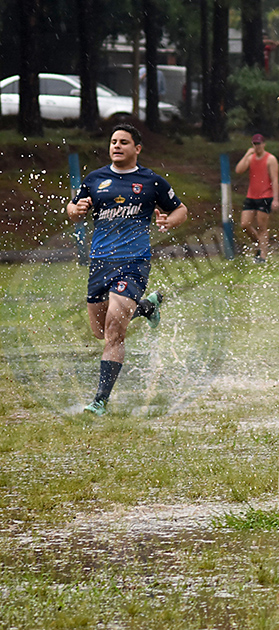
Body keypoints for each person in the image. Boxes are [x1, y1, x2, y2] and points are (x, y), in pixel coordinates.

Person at [66, 123, 188, 416]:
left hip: (133, 263)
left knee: (114, 332)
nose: (117, 146)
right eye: (113, 142)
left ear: (137, 148)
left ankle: (100, 401)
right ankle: (146, 307)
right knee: (100, 331)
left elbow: (181, 210)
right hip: (100, 263)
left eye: (123, 142)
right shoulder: (95, 179)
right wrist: (76, 210)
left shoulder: (151, 181)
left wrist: (168, 221)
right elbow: (72, 209)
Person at [235, 133, 279, 263]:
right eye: (255, 144)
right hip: (251, 195)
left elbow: (274, 179)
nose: (257, 146)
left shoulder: (270, 159)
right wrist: (246, 155)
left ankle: (263, 256)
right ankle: (259, 244)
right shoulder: (251, 158)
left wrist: (276, 199)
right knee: (245, 224)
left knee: (262, 226)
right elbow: (239, 170)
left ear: (263, 144)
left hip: (265, 195)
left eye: (259, 144)